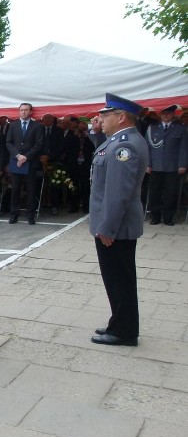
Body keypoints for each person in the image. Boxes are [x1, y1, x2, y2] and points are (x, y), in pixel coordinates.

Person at [89, 94, 149, 346]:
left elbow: (117, 194)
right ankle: (120, 322)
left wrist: (107, 228)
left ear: (121, 117)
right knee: (116, 278)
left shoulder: (125, 147)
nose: (100, 118)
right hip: (115, 225)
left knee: (119, 279)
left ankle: (124, 331)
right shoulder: (120, 142)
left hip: (116, 227)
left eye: (105, 114)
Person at [146, 104, 188, 225]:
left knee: (171, 193)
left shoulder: (180, 129)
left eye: (169, 113)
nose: (166, 115)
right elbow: (147, 147)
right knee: (155, 193)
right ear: (160, 114)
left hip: (173, 166)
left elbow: (183, 148)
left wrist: (182, 164)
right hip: (155, 166)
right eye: (164, 113)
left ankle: (169, 217)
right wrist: (147, 164)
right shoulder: (152, 128)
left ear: (174, 114)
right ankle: (155, 216)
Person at [5, 103, 44, 225]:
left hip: (30, 162)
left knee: (31, 189)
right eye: (21, 110)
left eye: (26, 110)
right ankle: (14, 214)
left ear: (31, 112)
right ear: (19, 111)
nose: (23, 112)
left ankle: (30, 215)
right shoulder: (12, 125)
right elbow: (8, 142)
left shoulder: (37, 126)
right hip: (16, 161)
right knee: (15, 189)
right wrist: (18, 156)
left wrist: (26, 157)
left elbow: (39, 144)